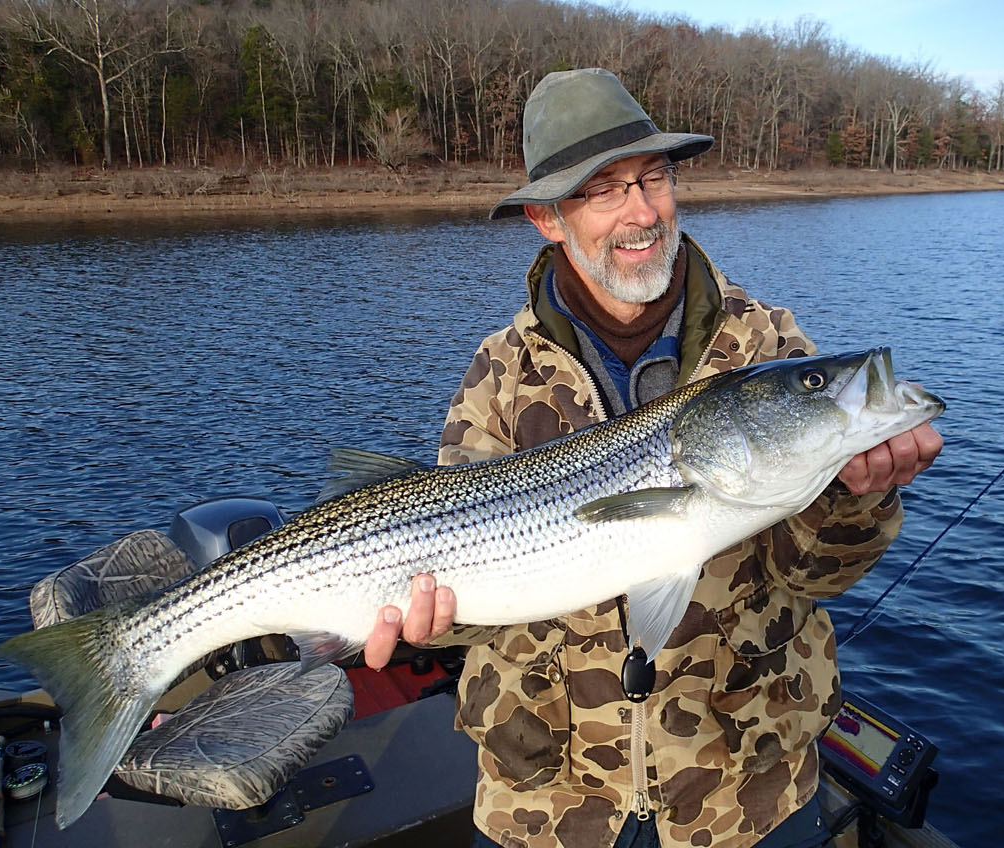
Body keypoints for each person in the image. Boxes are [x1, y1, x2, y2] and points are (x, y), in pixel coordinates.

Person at [364, 68, 942, 848]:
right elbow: (468, 601)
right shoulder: (500, 370)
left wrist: (854, 499)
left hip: (744, 792)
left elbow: (813, 578)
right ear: (546, 217)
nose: (641, 213)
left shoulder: (765, 343)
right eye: (603, 191)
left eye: (654, 177)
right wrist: (425, 628)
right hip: (548, 802)